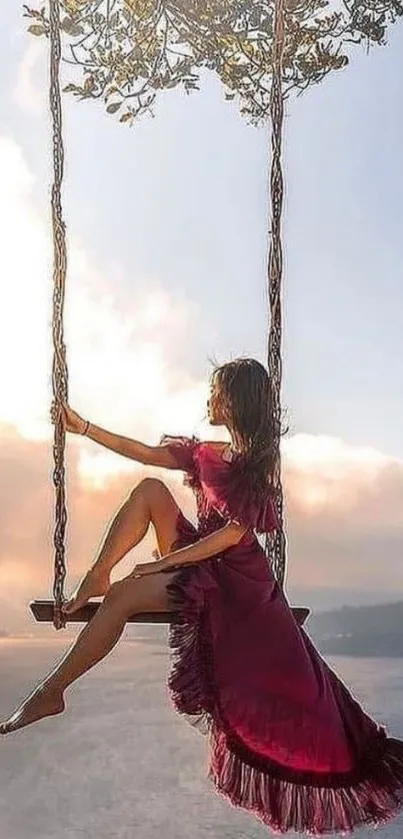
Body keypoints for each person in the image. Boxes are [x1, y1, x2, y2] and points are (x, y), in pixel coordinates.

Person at [1, 357, 403, 835]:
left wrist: (166, 562)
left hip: (232, 580)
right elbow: (145, 453)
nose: (207, 398)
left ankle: (52, 692)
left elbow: (234, 534)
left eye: (214, 391)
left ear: (232, 399)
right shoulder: (207, 453)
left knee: (127, 596)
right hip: (199, 555)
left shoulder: (256, 465)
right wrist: (82, 426)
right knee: (150, 489)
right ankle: (96, 576)